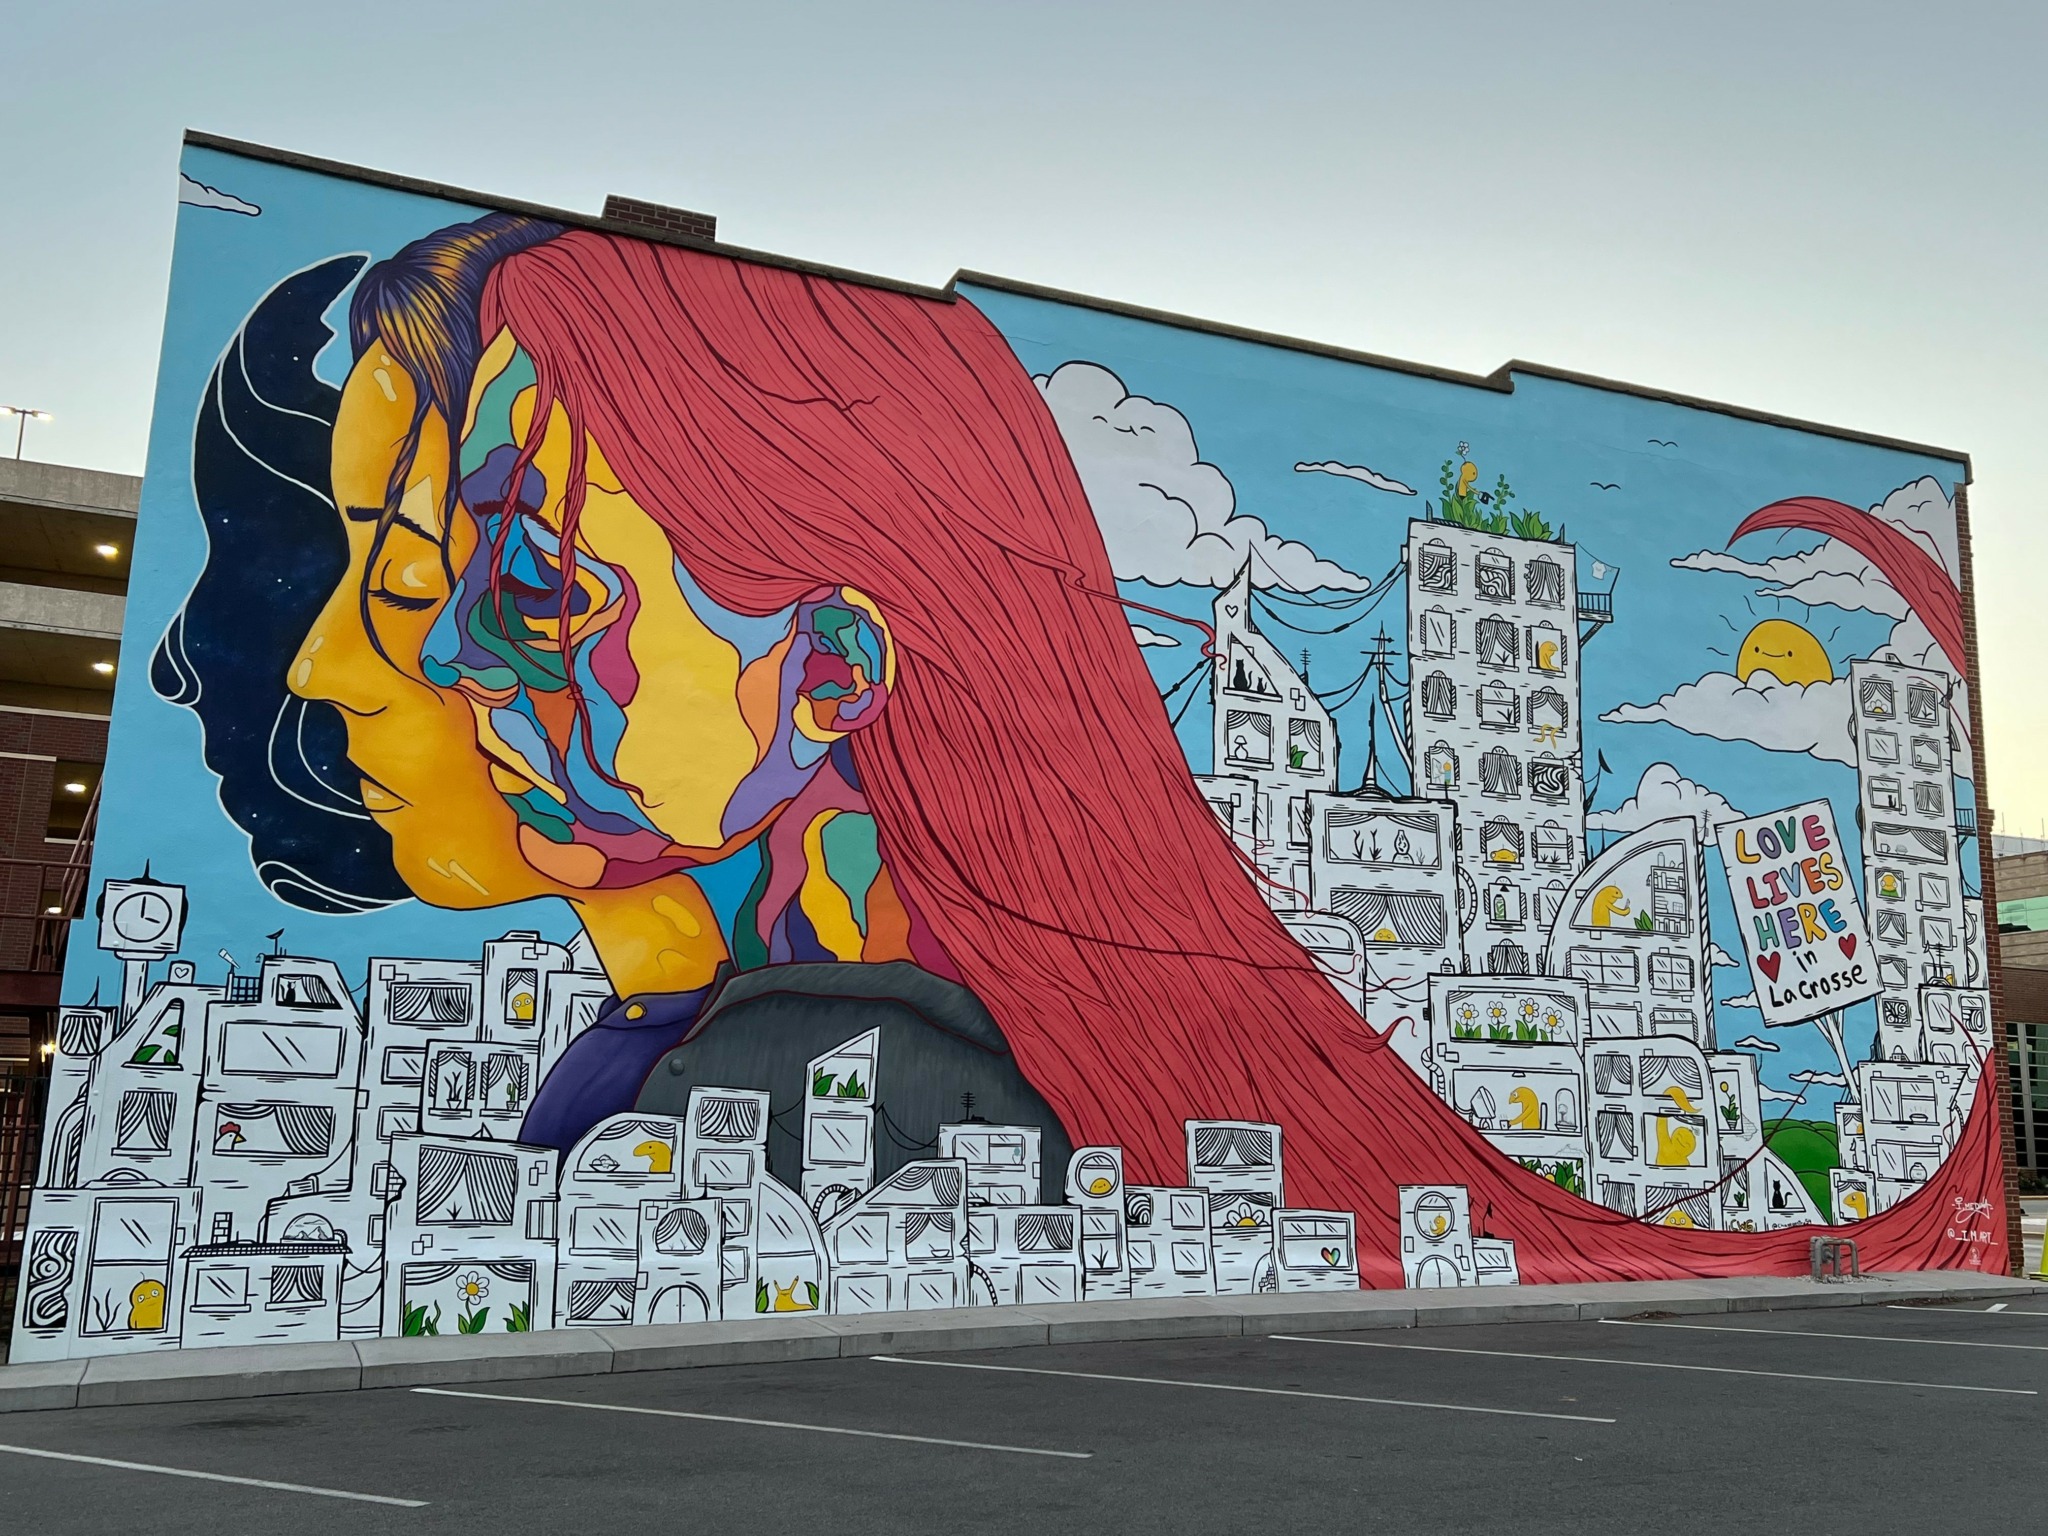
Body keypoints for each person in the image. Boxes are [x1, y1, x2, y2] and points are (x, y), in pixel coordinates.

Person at [257, 213, 1992, 1283]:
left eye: (527, 589)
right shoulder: (706, 1033)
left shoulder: (830, 1080)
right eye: (426, 580)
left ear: (834, 670)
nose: (431, 658)